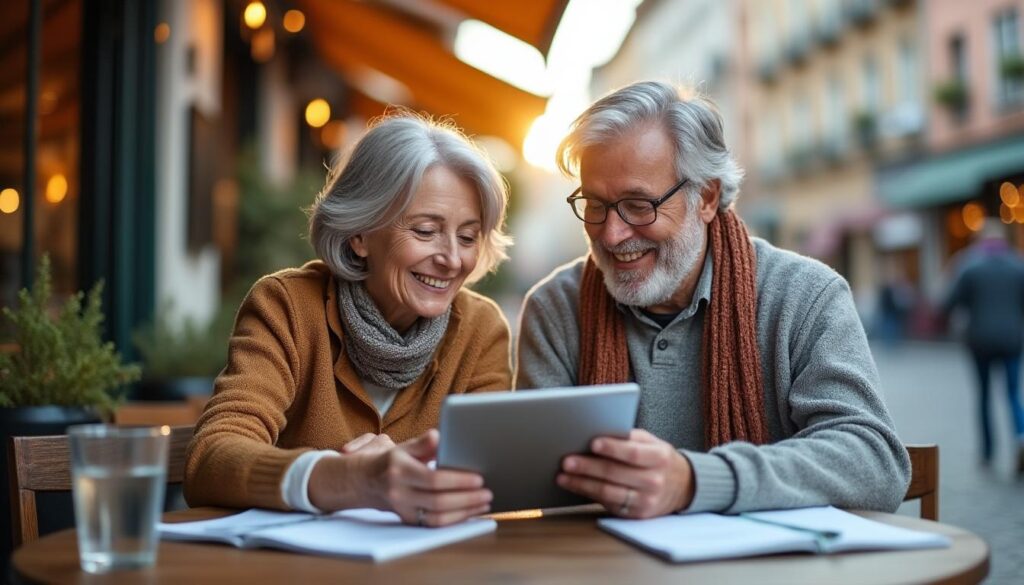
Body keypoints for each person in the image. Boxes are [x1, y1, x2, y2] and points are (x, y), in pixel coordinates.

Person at [515, 81, 910, 518]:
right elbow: (532, 485)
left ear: (706, 197)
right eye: (595, 204)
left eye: (638, 205)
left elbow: (875, 464)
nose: (612, 234)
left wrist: (695, 481)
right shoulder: (554, 309)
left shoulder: (805, 295)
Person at [185, 113, 513, 526]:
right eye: (426, 231)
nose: (451, 259)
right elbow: (211, 458)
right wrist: (350, 479)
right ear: (360, 234)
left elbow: (492, 477)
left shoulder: (481, 330)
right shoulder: (286, 306)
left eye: (468, 237)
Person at [943, 220, 1024, 473]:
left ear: (980, 239)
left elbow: (948, 302)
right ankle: (1020, 436)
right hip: (1012, 339)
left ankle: (987, 455)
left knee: (984, 397)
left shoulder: (968, 265)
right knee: (1012, 394)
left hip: (980, 341)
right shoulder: (1017, 264)